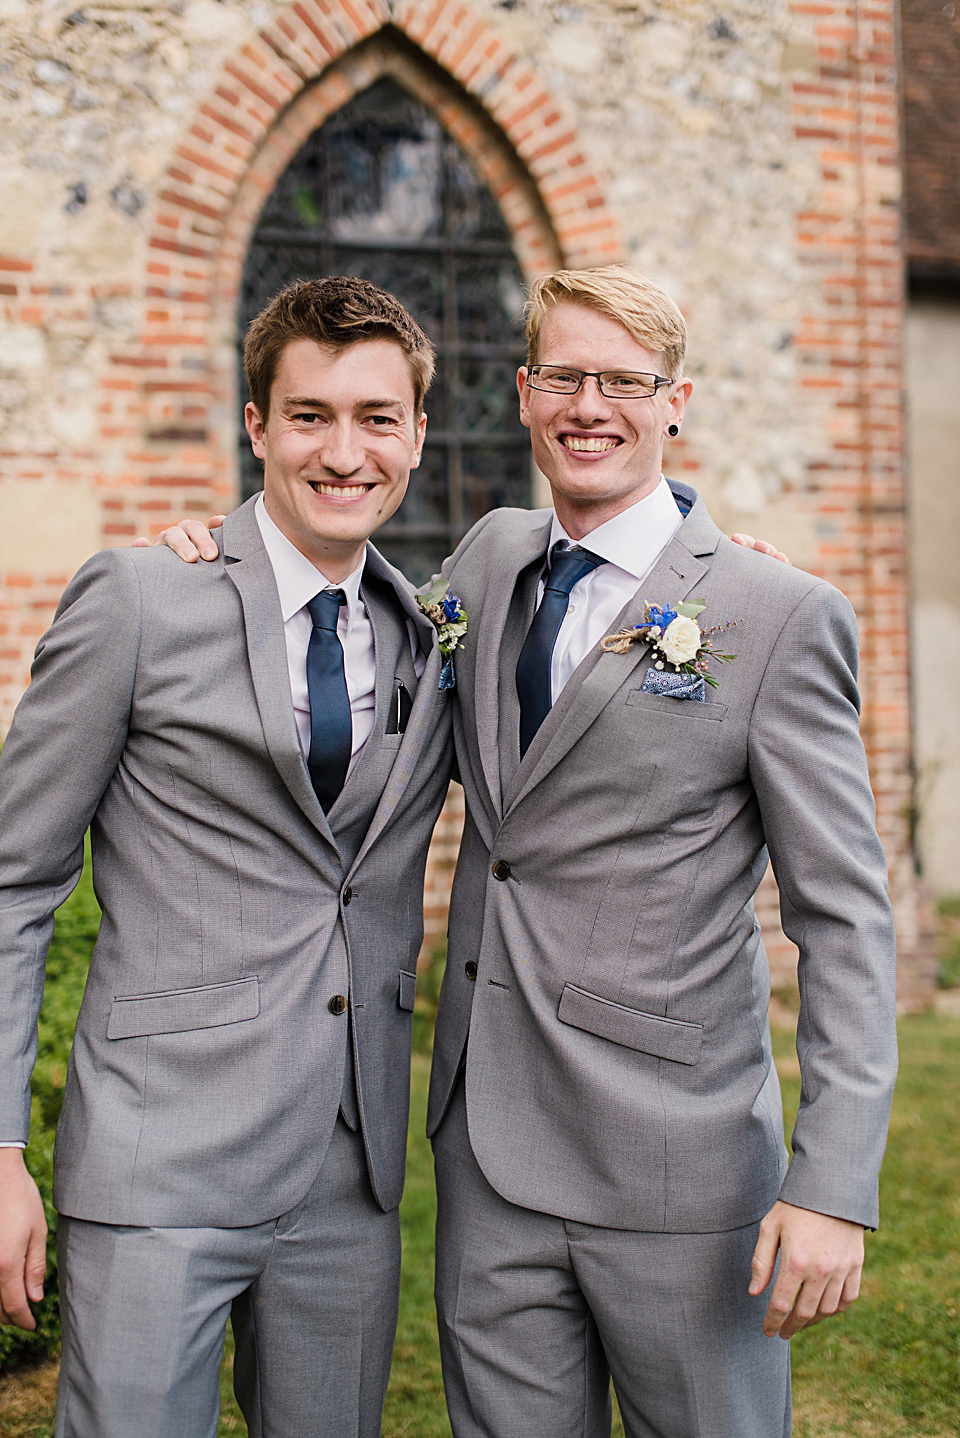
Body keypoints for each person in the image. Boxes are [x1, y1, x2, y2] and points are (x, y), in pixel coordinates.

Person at [424, 266, 897, 1437]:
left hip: (677, 1159)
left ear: (673, 400)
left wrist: (832, 1184)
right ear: (526, 396)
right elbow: (355, 641)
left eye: (623, 381)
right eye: (564, 377)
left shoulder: (774, 613)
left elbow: (841, 914)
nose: (592, 405)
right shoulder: (484, 562)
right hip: (485, 1150)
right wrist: (220, 552)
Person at [0, 276, 454, 1438]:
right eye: (308, 415)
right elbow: (13, 882)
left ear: (416, 434)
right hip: (162, 1159)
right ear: (255, 426)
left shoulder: (431, 630)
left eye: (376, 418)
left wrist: (715, 559)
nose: (343, 451)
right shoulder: (143, 597)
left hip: (347, 1179)